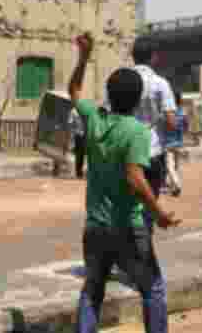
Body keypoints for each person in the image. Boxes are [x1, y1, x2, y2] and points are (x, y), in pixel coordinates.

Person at [69, 32, 179, 333]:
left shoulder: (95, 119)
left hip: (94, 226)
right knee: (152, 288)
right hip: (128, 227)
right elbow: (135, 178)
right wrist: (159, 213)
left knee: (92, 290)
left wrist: (83, 58)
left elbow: (75, 91)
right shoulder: (137, 132)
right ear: (137, 98)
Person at [130, 39, 178, 220]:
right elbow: (172, 122)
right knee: (148, 208)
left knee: (128, 207)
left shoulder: (120, 80)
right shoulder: (160, 84)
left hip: (125, 153)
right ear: (153, 57)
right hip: (151, 154)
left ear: (132, 56)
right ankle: (143, 240)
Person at [161, 86, 186, 198]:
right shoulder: (182, 113)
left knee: (169, 166)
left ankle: (177, 185)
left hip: (168, 143)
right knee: (175, 165)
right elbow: (185, 127)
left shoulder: (167, 114)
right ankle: (173, 185)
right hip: (179, 142)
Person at [69, 106, 87, 179]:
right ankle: (78, 172)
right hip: (78, 135)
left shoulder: (85, 110)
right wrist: (72, 134)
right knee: (79, 154)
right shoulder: (74, 111)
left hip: (84, 135)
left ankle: (80, 172)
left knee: (82, 154)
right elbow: (70, 123)